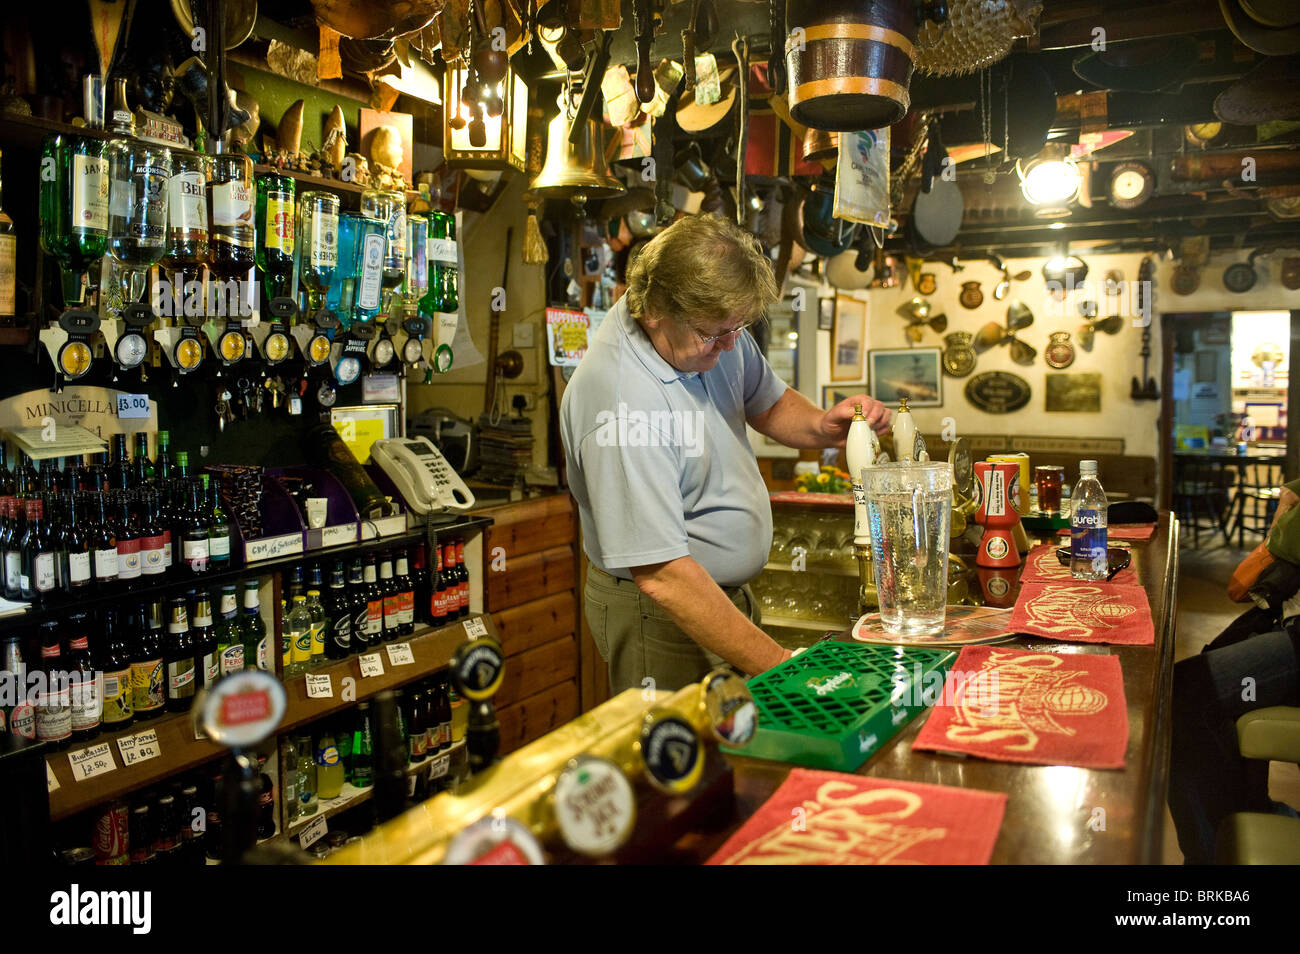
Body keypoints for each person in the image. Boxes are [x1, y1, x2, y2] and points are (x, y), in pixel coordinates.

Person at [560, 214, 891, 694]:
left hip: (719, 594)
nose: (732, 344)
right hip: (660, 612)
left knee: (732, 752)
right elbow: (661, 574)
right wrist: (782, 666)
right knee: (678, 757)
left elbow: (767, 399)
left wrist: (823, 427)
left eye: (739, 327)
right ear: (653, 308)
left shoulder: (707, 332)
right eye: (716, 333)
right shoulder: (621, 404)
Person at [1169, 475, 1300, 863]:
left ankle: (1210, 851)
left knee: (1183, 695)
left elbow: (1287, 538)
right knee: (1204, 681)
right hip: (1285, 622)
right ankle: (1246, 816)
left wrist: (1289, 511)